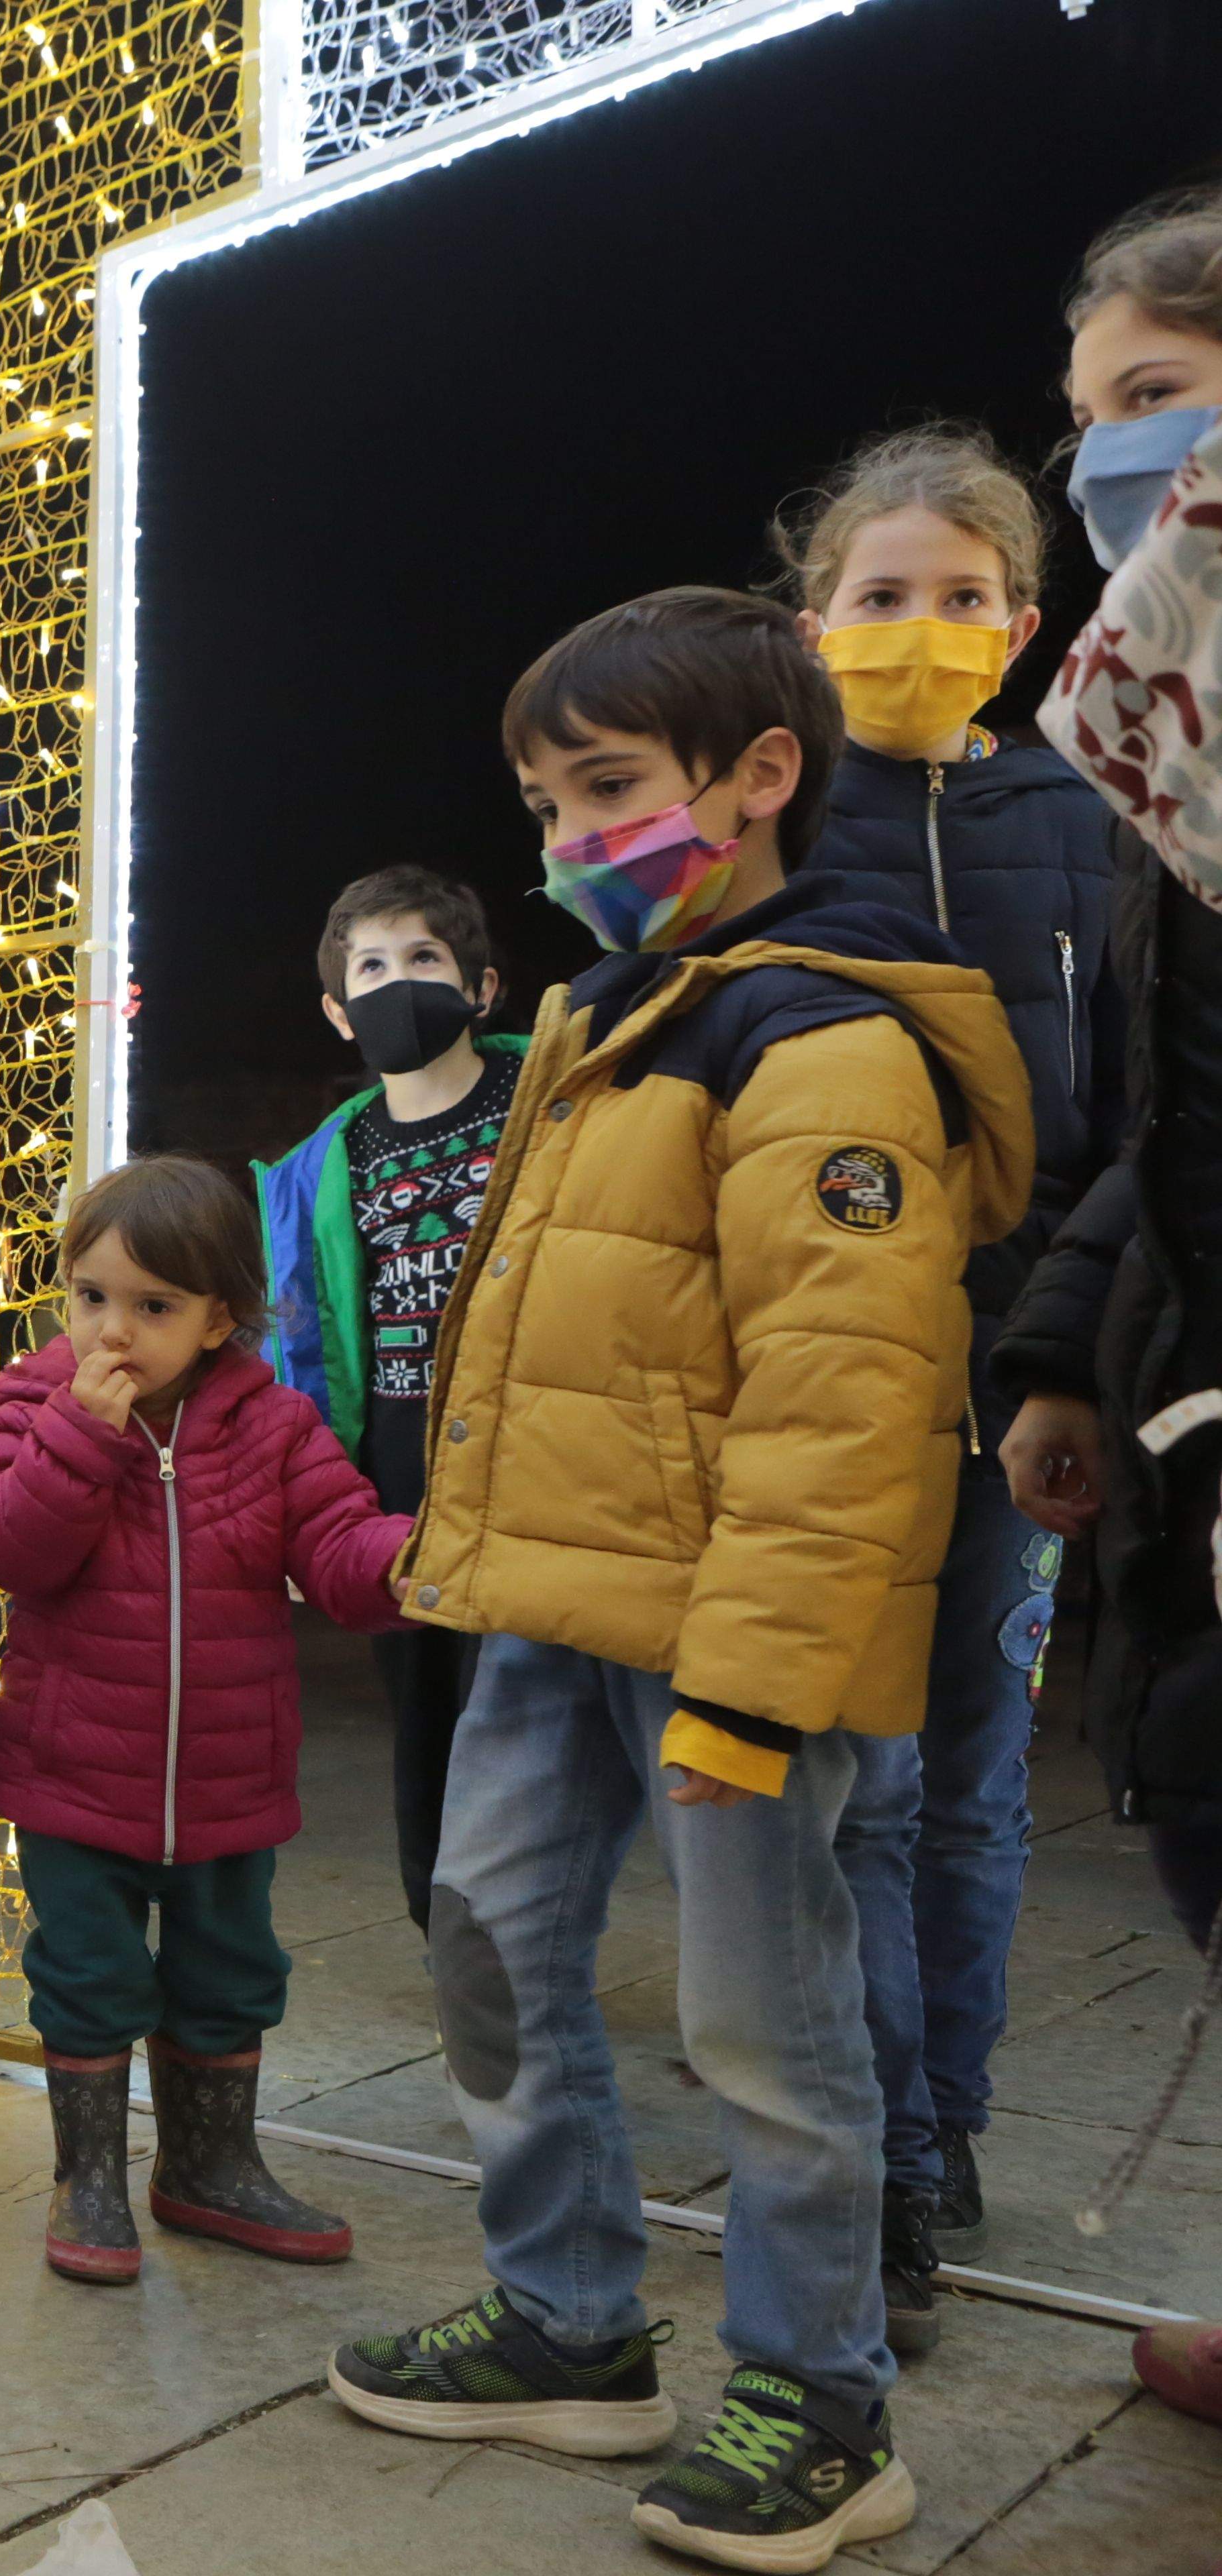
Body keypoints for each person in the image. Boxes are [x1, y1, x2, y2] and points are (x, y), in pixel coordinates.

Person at [325, 588, 1028, 2575]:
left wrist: (757, 1690)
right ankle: (567, 2321)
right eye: (543, 801)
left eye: (608, 790)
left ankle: (823, 2404)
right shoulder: (597, 1023)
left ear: (761, 777)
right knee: (488, 1944)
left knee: (764, 2022)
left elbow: (849, 1404)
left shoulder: (823, 1038)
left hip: (729, 1633)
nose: (565, 842)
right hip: (550, 1603)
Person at [778, 424, 1126, 2348]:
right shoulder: (774, 826)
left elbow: (1131, 1103)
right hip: (828, 1375)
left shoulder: (1086, 820)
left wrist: (1060, 1341)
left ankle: (950, 2125)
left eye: (962, 597)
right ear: (810, 624)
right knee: (866, 1792)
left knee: (979, 1782)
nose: (922, 627)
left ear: (1022, 617)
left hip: (1018, 1384)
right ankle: (887, 2154)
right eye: (881, 598)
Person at [0, 1156, 408, 2286]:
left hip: (227, 1779)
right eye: (92, 1297)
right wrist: (80, 1439)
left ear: (221, 1319)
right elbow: (7, 1546)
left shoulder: (277, 1428)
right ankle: (92, 2180)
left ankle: (209, 2166)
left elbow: (341, 1554)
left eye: (153, 1306)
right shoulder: (32, 1401)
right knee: (90, 1971)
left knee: (231, 1970)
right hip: (74, 1777)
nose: (114, 1331)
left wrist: (418, 1556)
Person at [1001, 185, 1222, 2433]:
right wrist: (1071, 1349)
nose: (1113, 473)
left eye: (1156, 404)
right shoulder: (1176, 770)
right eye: (1093, 425)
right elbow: (1168, 1129)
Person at [251, 866, 524, 1932]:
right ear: (336, 1009)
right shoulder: (321, 1167)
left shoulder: (542, 1103)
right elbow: (306, 1344)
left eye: (424, 960)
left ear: (482, 987)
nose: (396, 982)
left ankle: (539, 1919)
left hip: (537, 1453)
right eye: (371, 968)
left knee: (541, 1707)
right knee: (426, 1714)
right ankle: (448, 1933)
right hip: (402, 1474)